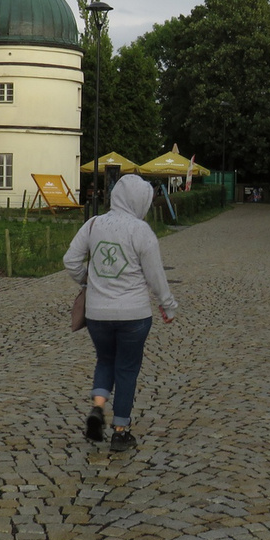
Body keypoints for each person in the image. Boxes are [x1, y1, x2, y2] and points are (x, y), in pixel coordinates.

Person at [64, 173, 177, 453]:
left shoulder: (93, 225)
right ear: (140, 201)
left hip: (97, 314)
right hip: (134, 316)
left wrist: (87, 281)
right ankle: (120, 431)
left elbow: (71, 260)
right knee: (126, 369)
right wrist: (167, 305)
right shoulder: (141, 232)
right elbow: (155, 276)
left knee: (105, 361)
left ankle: (98, 407)